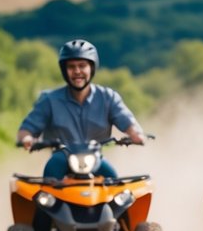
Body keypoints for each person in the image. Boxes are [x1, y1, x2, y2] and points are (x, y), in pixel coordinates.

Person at [17, 38, 146, 180]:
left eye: (82, 66)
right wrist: (27, 139)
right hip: (60, 159)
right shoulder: (49, 100)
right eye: (71, 67)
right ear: (64, 70)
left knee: (116, 185)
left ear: (92, 68)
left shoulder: (108, 97)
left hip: (95, 160)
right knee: (48, 183)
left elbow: (127, 121)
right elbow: (27, 128)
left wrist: (136, 135)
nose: (77, 71)